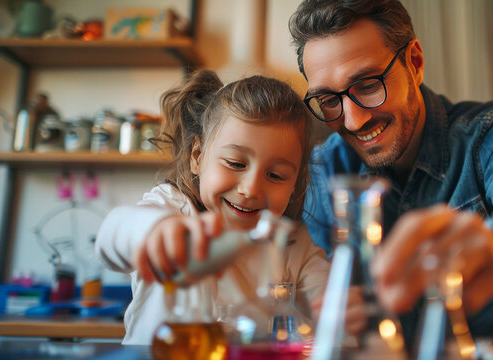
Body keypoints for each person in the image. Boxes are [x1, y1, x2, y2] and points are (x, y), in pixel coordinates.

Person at [289, 0, 493, 350]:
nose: (352, 121)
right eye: (328, 100)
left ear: (415, 62)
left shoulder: (492, 134)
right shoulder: (323, 168)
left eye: (367, 85)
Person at [95, 70, 329, 345]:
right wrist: (155, 230)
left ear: (295, 183)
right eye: (235, 163)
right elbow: (111, 236)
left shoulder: (293, 244)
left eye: (275, 175)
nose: (251, 189)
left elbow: (329, 308)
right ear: (197, 156)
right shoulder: (172, 210)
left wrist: (343, 310)